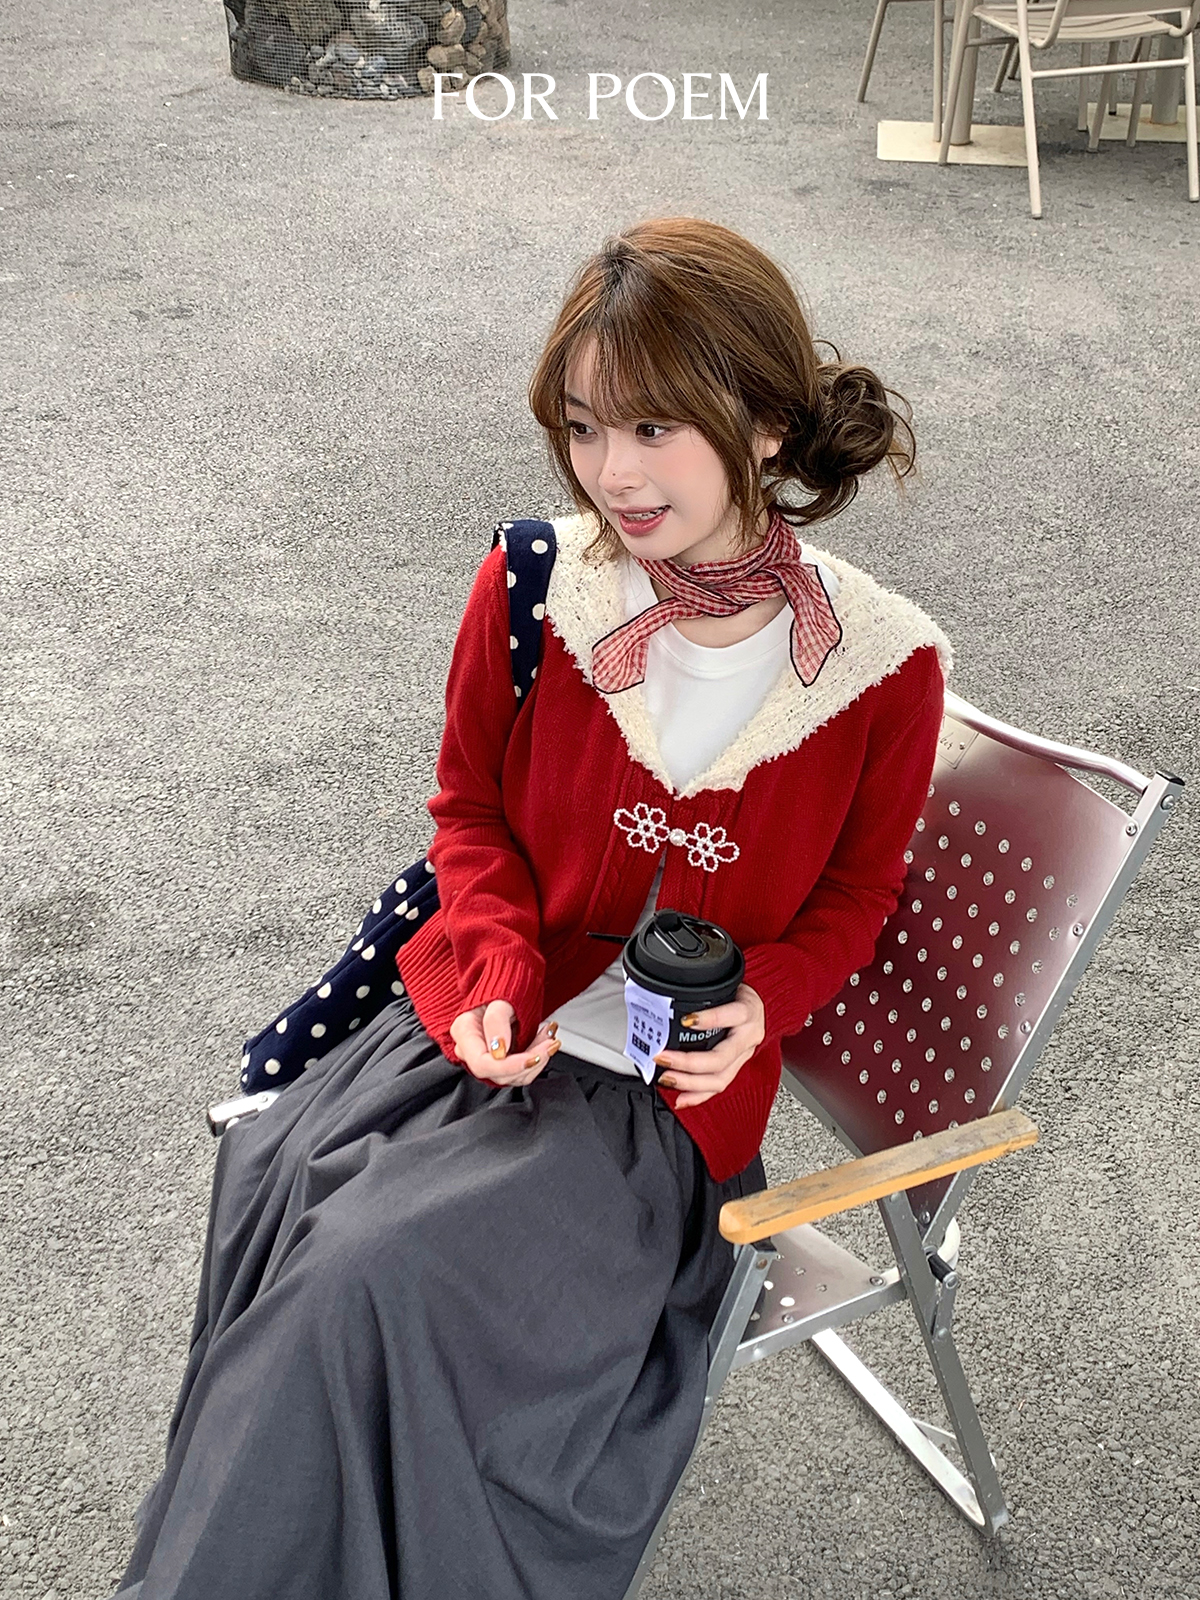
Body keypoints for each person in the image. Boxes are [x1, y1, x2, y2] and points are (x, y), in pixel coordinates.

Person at [110, 216, 951, 1600]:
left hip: (656, 1110)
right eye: (583, 426)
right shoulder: (536, 583)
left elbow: (854, 904)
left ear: (763, 424)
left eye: (654, 428)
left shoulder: (879, 664)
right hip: (477, 1031)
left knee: (360, 1276)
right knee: (304, 1217)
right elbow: (469, 813)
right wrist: (498, 964)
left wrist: (761, 1006)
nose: (611, 472)